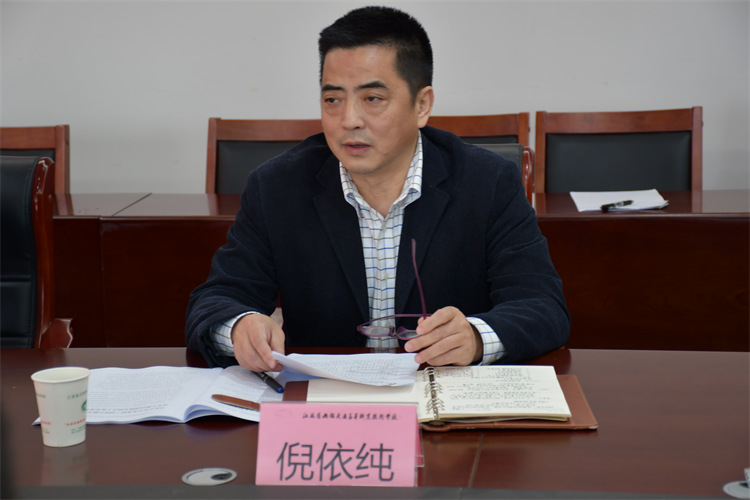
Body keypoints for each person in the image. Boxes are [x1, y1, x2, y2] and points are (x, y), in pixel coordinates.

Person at [185, 5, 569, 372]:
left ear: (422, 105)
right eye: (333, 99)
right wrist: (239, 326)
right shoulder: (277, 187)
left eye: (372, 99)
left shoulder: (488, 181)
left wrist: (475, 337)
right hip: (325, 404)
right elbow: (216, 299)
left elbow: (542, 306)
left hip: (441, 400)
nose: (349, 119)